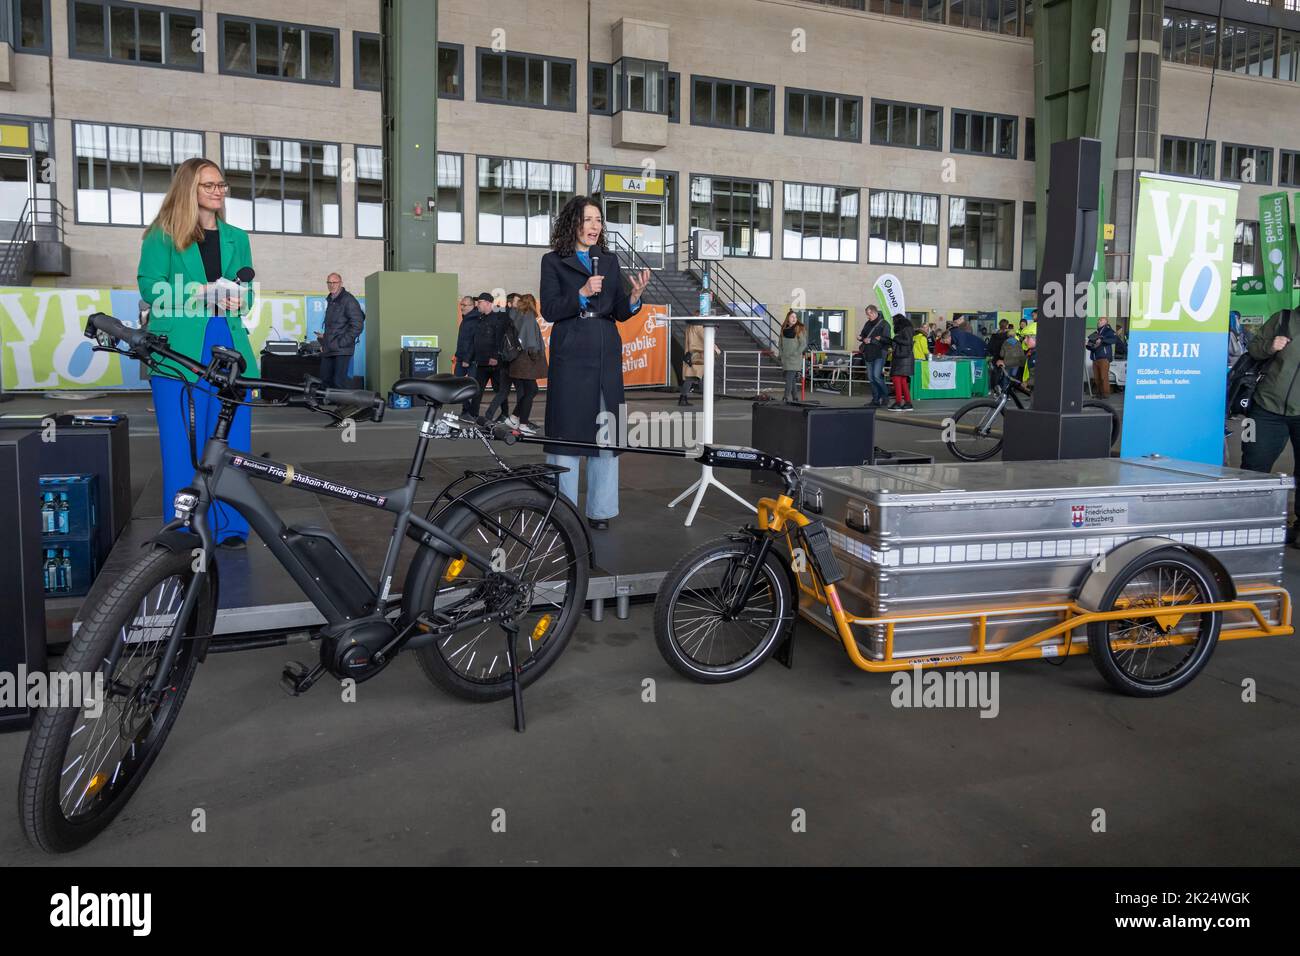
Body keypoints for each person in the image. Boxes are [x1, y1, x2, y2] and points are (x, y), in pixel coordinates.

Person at [136, 157, 256, 549]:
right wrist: (197, 294)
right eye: (209, 185)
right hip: (179, 350)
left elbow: (248, 290)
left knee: (231, 443)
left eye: (221, 185)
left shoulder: (238, 236)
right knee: (183, 444)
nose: (218, 191)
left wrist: (241, 299)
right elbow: (150, 288)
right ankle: (184, 526)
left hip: (228, 340)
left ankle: (230, 526)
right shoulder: (162, 235)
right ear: (190, 189)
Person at [539, 194, 649, 531]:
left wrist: (633, 298)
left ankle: (600, 510)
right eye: (588, 220)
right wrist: (582, 293)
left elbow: (619, 310)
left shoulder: (610, 260)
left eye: (598, 221)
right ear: (573, 223)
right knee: (568, 433)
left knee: (606, 432)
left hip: (605, 351)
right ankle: (564, 510)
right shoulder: (553, 261)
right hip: (571, 353)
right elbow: (550, 310)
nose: (594, 226)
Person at [1240, 310, 1300, 545]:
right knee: (1253, 466)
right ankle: (1249, 521)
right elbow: (1254, 347)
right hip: (1265, 408)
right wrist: (1270, 346)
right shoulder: (1283, 319)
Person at [504, 293, 546, 434]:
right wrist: (535, 356)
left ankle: (514, 418)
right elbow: (530, 340)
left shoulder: (516, 315)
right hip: (526, 360)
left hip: (517, 359)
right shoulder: (528, 316)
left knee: (527, 391)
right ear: (532, 303)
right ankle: (522, 423)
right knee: (532, 390)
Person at [317, 272, 364, 390]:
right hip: (330, 348)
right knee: (325, 380)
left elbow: (357, 325)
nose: (332, 285)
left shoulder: (348, 300)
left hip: (341, 349)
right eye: (329, 282)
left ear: (341, 283)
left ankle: (344, 407)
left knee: (339, 382)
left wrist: (340, 343)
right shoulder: (331, 300)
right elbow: (336, 326)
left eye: (335, 282)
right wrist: (325, 339)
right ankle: (326, 407)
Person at [679, 320, 720, 406]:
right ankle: (707, 396)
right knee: (700, 376)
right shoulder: (700, 327)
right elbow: (707, 338)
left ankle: (683, 398)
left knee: (693, 377)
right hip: (700, 354)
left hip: (691, 354)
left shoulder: (689, 327)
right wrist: (716, 350)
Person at [858, 304, 891, 406]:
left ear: (874, 312)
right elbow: (863, 334)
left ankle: (885, 396)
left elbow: (887, 340)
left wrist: (872, 340)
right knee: (871, 378)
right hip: (868, 353)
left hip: (879, 354)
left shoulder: (884, 324)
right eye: (867, 314)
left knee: (876, 377)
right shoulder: (868, 323)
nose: (868, 316)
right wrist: (861, 337)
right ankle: (875, 400)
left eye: (869, 314)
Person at [776, 310, 808, 403]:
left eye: (795, 317)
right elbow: (780, 343)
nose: (794, 319)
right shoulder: (783, 329)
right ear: (788, 318)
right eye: (792, 317)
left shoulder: (799, 329)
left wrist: (796, 353)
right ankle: (795, 398)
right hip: (786, 358)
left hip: (795, 359)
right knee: (792, 379)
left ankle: (785, 396)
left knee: (789, 378)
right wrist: (781, 354)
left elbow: (803, 344)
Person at [887, 314, 915, 411]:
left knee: (896, 379)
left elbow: (908, 342)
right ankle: (908, 403)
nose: (893, 324)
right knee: (902, 381)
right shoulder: (908, 329)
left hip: (902, 358)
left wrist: (895, 338)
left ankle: (898, 402)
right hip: (905, 358)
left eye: (893, 322)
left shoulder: (905, 329)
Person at [1087, 316, 1118, 398]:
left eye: (1101, 320)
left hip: (1104, 358)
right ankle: (1099, 393)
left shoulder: (1108, 331)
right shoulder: (1095, 333)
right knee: (1097, 378)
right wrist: (1087, 345)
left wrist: (1102, 339)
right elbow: (1090, 345)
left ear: (1106, 322)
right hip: (1095, 358)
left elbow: (1114, 340)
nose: (1099, 321)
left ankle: (1105, 394)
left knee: (1103, 377)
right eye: (1099, 320)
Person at [453, 294, 482, 382]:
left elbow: (474, 342)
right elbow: (463, 340)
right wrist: (457, 355)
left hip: (471, 361)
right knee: (455, 384)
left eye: (464, 305)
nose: (461, 307)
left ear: (472, 306)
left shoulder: (476, 320)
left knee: (472, 385)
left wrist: (467, 359)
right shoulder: (466, 319)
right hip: (461, 358)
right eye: (461, 304)